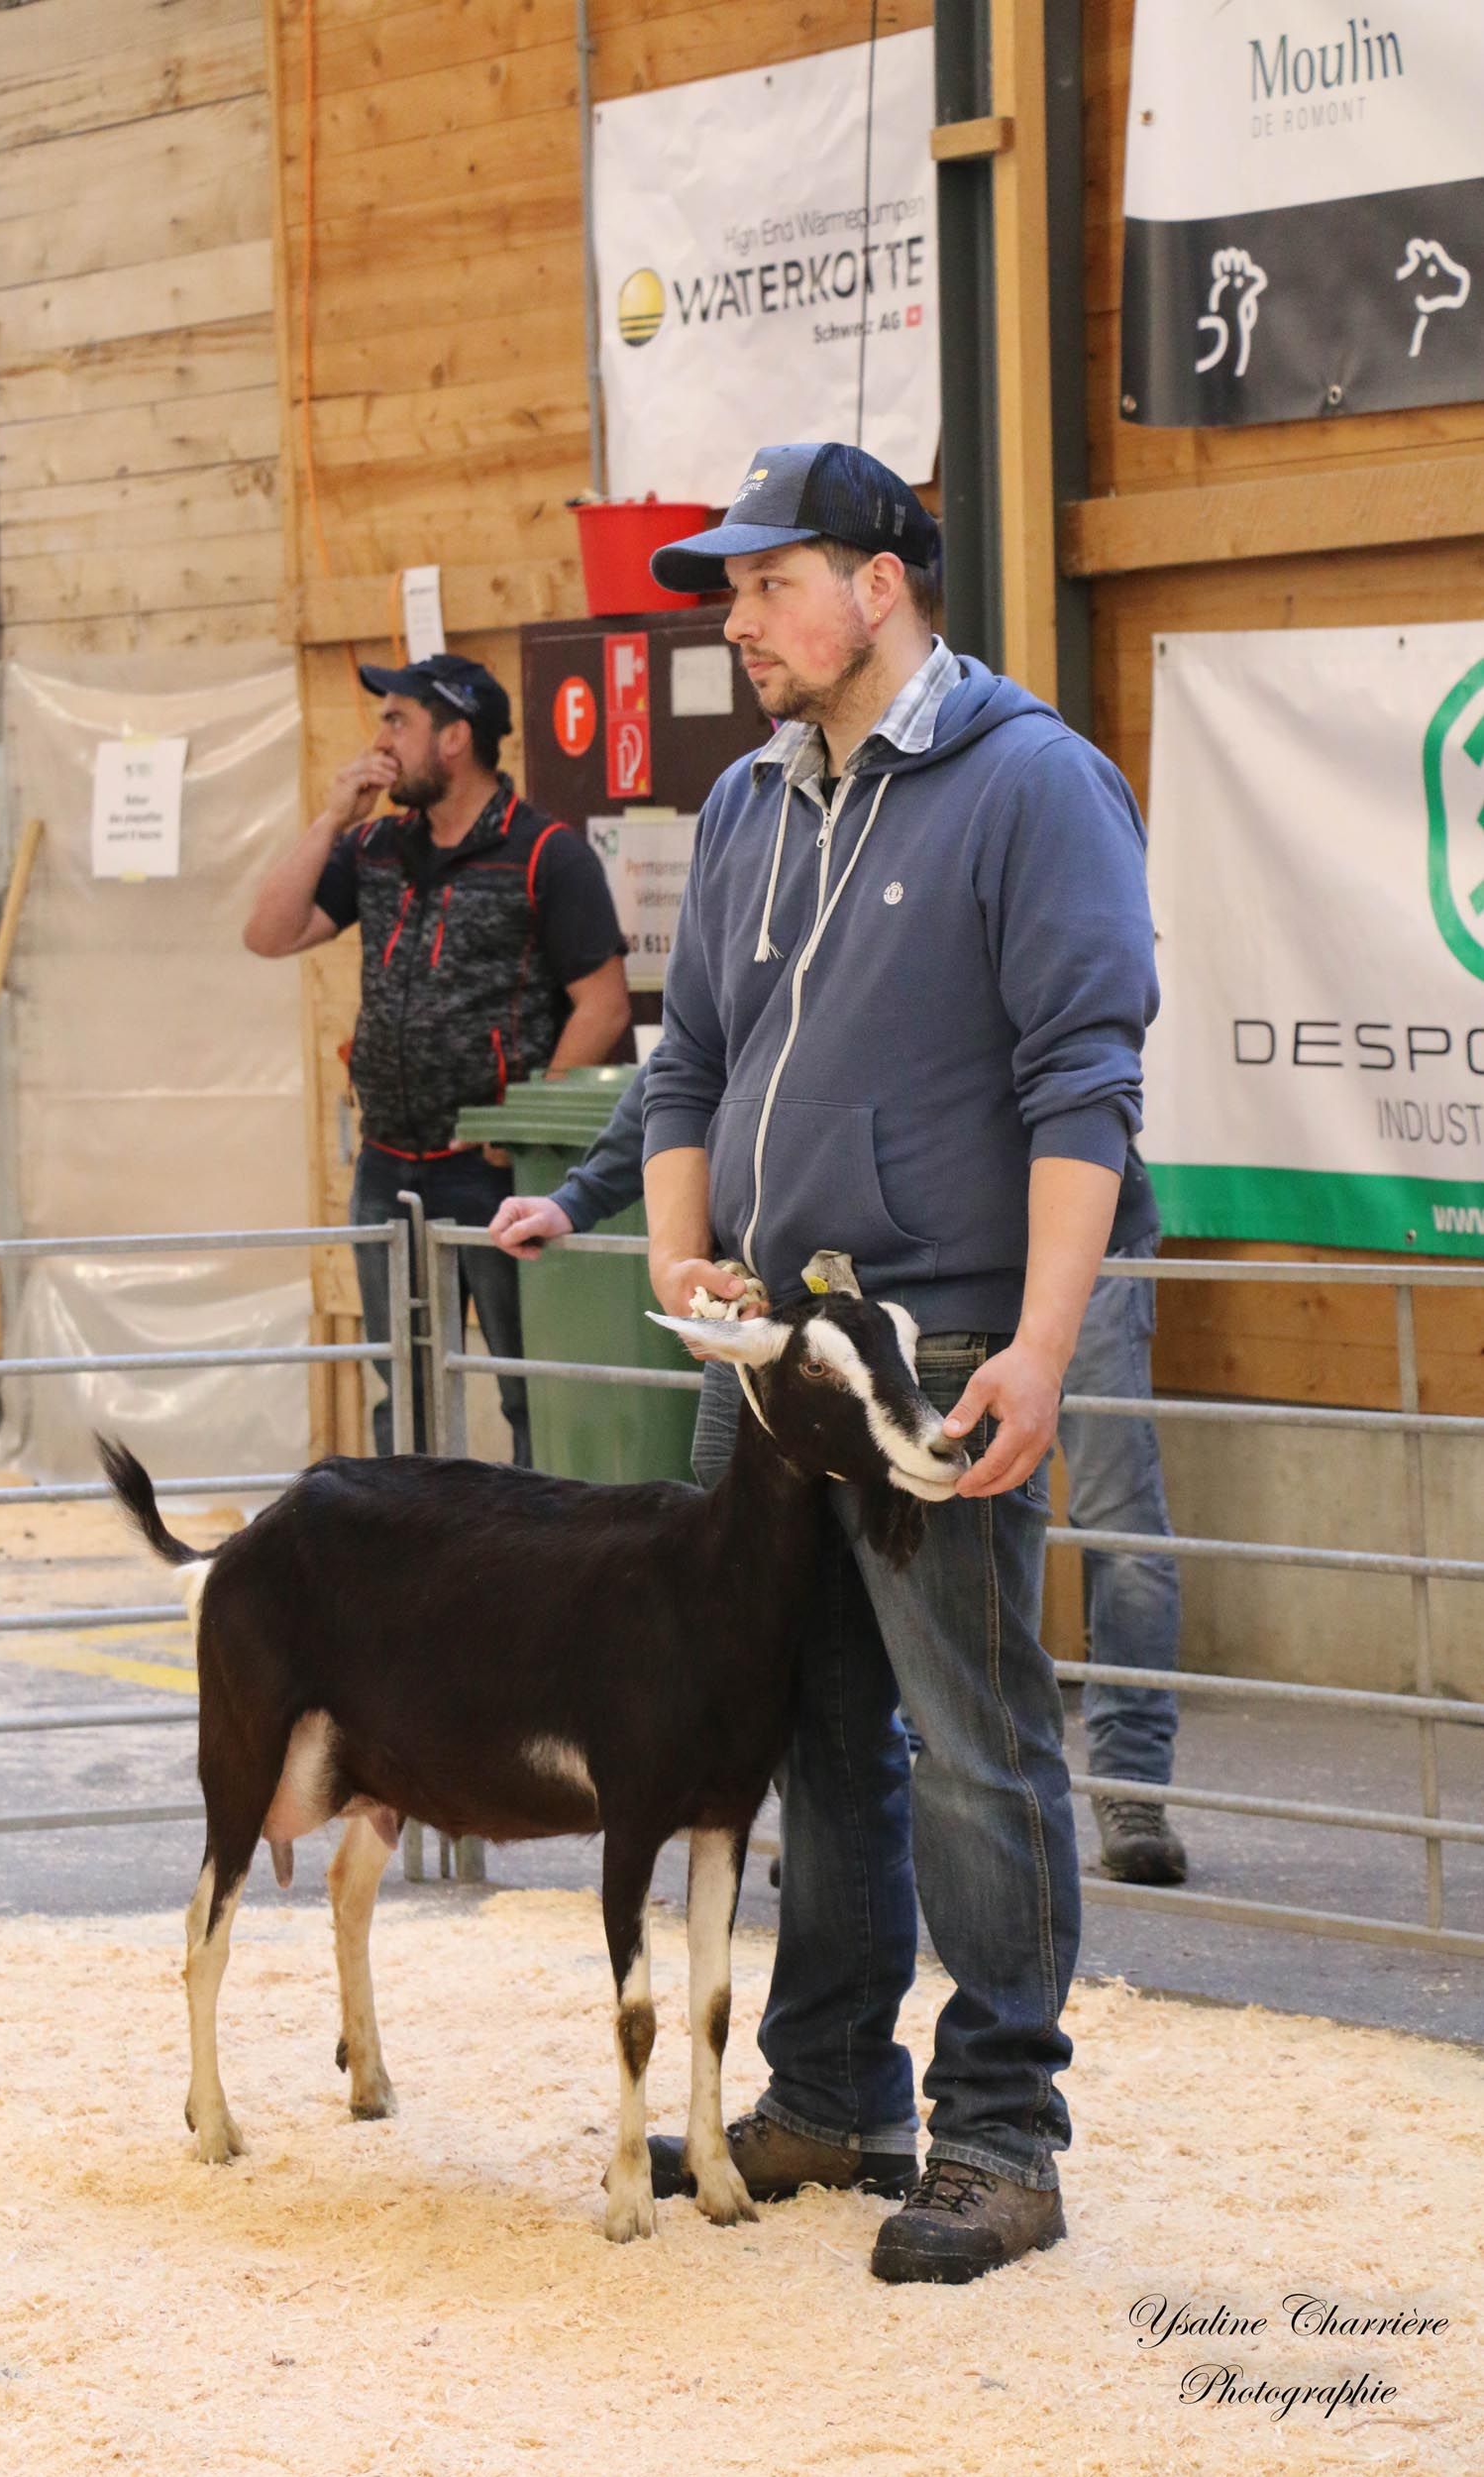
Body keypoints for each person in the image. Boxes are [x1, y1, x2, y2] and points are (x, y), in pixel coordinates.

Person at [631, 439, 1158, 2284]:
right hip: (767, 1349)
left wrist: (1037, 1344)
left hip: (937, 1344)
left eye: (767, 583)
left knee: (970, 1743)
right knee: (800, 1722)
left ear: (878, 584)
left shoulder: (1031, 782)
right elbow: (688, 1060)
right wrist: (681, 1259)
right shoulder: (744, 804)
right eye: (727, 589)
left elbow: (1082, 1083)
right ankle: (828, 2091)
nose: (736, 620)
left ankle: (1000, 2135)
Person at [492, 1080, 1189, 1886]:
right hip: (866, 1271)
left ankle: (1131, 1787)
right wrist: (580, 1197)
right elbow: (696, 1062)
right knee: (812, 1518)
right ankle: (853, 1828)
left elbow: (1079, 1078)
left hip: (1050, 1247)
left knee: (1111, 1511)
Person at [244, 651, 630, 1461]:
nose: (380, 740)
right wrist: (329, 821)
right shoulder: (376, 847)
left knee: (527, 1385)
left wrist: (525, 1127)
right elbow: (268, 935)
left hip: (490, 1177)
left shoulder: (544, 853)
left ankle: (534, 1535)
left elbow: (602, 1004)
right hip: (386, 1165)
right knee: (406, 1386)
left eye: (398, 721)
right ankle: (407, 1538)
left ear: (454, 737)